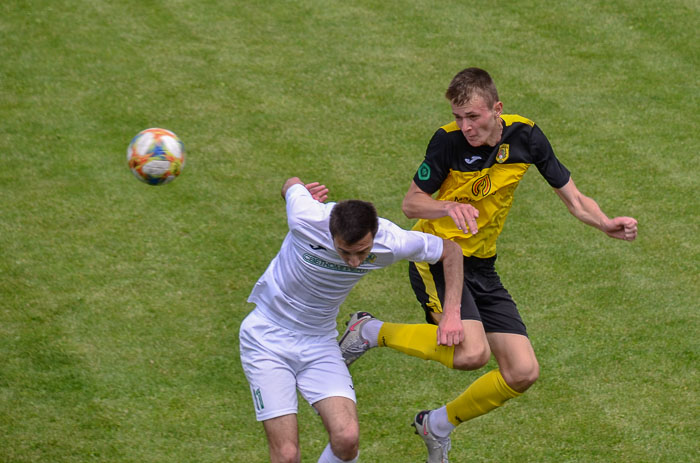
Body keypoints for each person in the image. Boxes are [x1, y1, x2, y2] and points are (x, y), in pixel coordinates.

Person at [339, 67, 638, 462]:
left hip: (482, 265)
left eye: (473, 117)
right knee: (471, 354)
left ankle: (437, 424)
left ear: (497, 109)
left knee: (522, 372)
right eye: (458, 117)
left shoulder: (526, 136)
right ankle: (369, 330)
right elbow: (411, 203)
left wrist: (604, 223)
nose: (464, 126)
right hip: (438, 259)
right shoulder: (446, 143)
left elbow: (574, 198)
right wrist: (447, 206)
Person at [239, 176, 466, 463]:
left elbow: (451, 251)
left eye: (363, 251)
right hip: (266, 338)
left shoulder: (392, 241)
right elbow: (290, 183)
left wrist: (452, 315)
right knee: (286, 455)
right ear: (330, 232)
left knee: (347, 438)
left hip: (319, 342)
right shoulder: (306, 217)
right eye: (345, 251)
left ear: (375, 232)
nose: (355, 261)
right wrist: (294, 194)